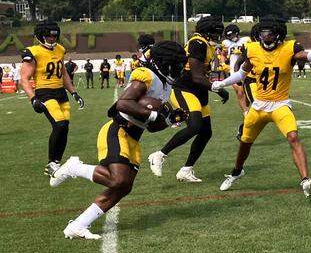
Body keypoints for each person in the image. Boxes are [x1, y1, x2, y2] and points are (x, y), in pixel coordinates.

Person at [47, 41, 190, 240]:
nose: (180, 68)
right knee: (117, 179)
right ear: (166, 62)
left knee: (124, 187)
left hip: (133, 138)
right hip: (117, 130)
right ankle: (74, 168)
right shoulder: (147, 75)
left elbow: (151, 127)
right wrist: (154, 115)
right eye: (178, 63)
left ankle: (78, 225)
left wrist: (169, 120)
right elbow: (123, 103)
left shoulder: (166, 86)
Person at [210, 17, 311, 197]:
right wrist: (223, 83)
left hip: (280, 105)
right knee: (245, 142)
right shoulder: (252, 49)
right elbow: (242, 74)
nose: (265, 36)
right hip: (259, 106)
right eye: (262, 33)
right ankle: (237, 171)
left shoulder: (289, 48)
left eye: (269, 33)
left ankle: (305, 180)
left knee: (293, 137)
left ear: (278, 34)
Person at [147, 16, 229, 183]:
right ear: (207, 32)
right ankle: (159, 155)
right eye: (216, 33)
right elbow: (197, 76)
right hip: (184, 89)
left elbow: (201, 75)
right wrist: (217, 88)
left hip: (198, 91)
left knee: (205, 132)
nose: (218, 36)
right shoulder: (197, 43)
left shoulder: (206, 45)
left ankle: (186, 170)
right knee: (195, 126)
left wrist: (215, 89)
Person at [20, 21, 85, 176]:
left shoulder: (60, 49)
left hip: (60, 93)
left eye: (54, 36)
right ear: (41, 36)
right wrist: (33, 98)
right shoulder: (33, 52)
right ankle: (51, 163)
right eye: (49, 36)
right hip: (44, 93)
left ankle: (56, 162)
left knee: (64, 127)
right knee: (60, 124)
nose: (52, 39)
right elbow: (24, 78)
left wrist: (74, 92)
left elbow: (63, 73)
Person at [221, 24, 251, 114]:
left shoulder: (246, 40)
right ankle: (246, 112)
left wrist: (243, 52)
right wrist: (223, 64)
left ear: (237, 33)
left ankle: (247, 109)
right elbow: (223, 54)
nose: (231, 37)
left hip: (247, 69)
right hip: (233, 71)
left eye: (232, 34)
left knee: (247, 93)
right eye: (229, 36)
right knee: (240, 91)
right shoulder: (226, 43)